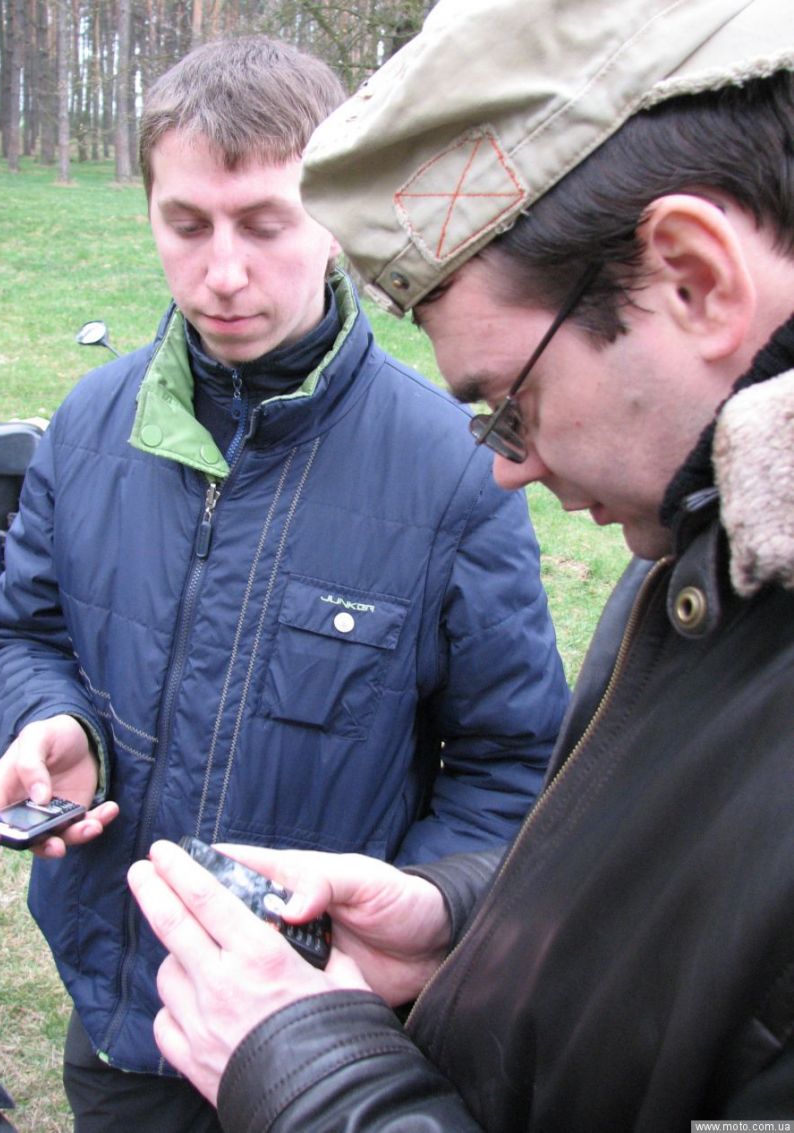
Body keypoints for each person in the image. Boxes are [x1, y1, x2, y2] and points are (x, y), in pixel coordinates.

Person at [127, 0, 794, 1128]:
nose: (506, 467)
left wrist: (316, 1080)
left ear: (693, 279)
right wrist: (467, 920)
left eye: (511, 402)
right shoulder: (708, 553)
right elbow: (691, 942)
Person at [0, 33, 569, 1133]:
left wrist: (382, 944)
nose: (223, 272)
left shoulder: (454, 470)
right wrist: (51, 721)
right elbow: (26, 634)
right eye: (187, 224)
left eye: (264, 223)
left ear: (332, 218)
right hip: (119, 1010)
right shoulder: (90, 424)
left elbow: (512, 766)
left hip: (315, 1037)